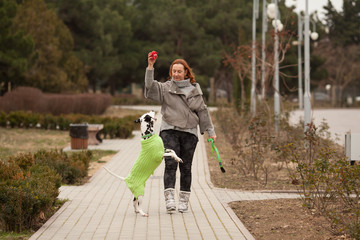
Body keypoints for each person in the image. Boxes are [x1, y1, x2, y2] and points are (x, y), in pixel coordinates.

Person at [144, 51, 217, 213]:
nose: (176, 74)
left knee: (186, 167)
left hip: (190, 133)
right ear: (171, 73)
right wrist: (150, 66)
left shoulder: (195, 90)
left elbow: (202, 112)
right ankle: (169, 198)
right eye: (174, 71)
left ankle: (184, 200)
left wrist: (210, 131)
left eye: (179, 71)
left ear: (186, 73)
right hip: (169, 130)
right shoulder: (165, 88)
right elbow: (149, 86)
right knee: (170, 163)